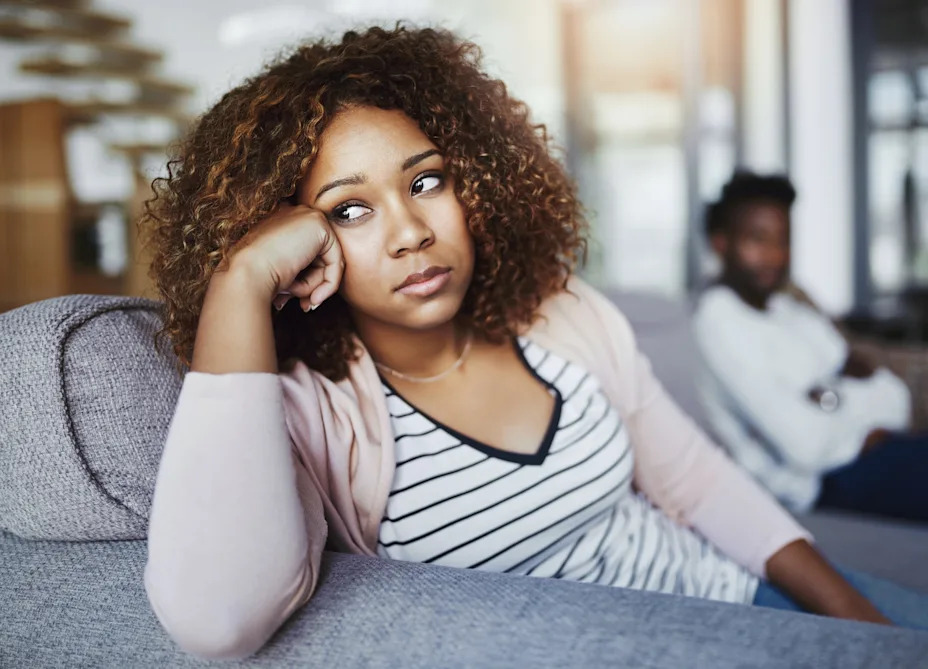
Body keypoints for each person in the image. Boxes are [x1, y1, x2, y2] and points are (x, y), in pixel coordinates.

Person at [141, 28, 928, 661]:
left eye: (425, 182)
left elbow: (699, 485)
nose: (412, 232)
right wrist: (241, 279)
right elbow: (219, 619)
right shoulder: (312, 408)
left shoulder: (562, 313)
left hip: (743, 596)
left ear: (475, 184)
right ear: (300, 239)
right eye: (349, 210)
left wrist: (856, 619)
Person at [693, 170, 928, 521]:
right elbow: (807, 447)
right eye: (758, 239)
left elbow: (891, 393)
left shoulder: (787, 308)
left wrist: (827, 398)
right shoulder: (718, 319)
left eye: (782, 240)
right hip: (825, 484)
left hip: (869, 456)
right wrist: (853, 405)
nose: (774, 256)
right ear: (721, 243)